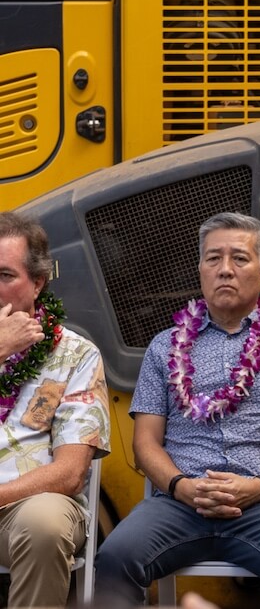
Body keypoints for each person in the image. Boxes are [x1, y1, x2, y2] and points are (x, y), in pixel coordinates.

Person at [94, 212, 260, 608]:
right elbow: (145, 443)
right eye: (213, 259)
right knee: (116, 556)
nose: (225, 270)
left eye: (239, 258)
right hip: (179, 503)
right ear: (200, 270)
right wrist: (180, 487)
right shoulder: (164, 346)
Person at [0, 211, 110, 607]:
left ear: (38, 283)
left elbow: (69, 474)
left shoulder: (76, 355)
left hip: (27, 506)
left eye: (4, 276)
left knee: (44, 524)